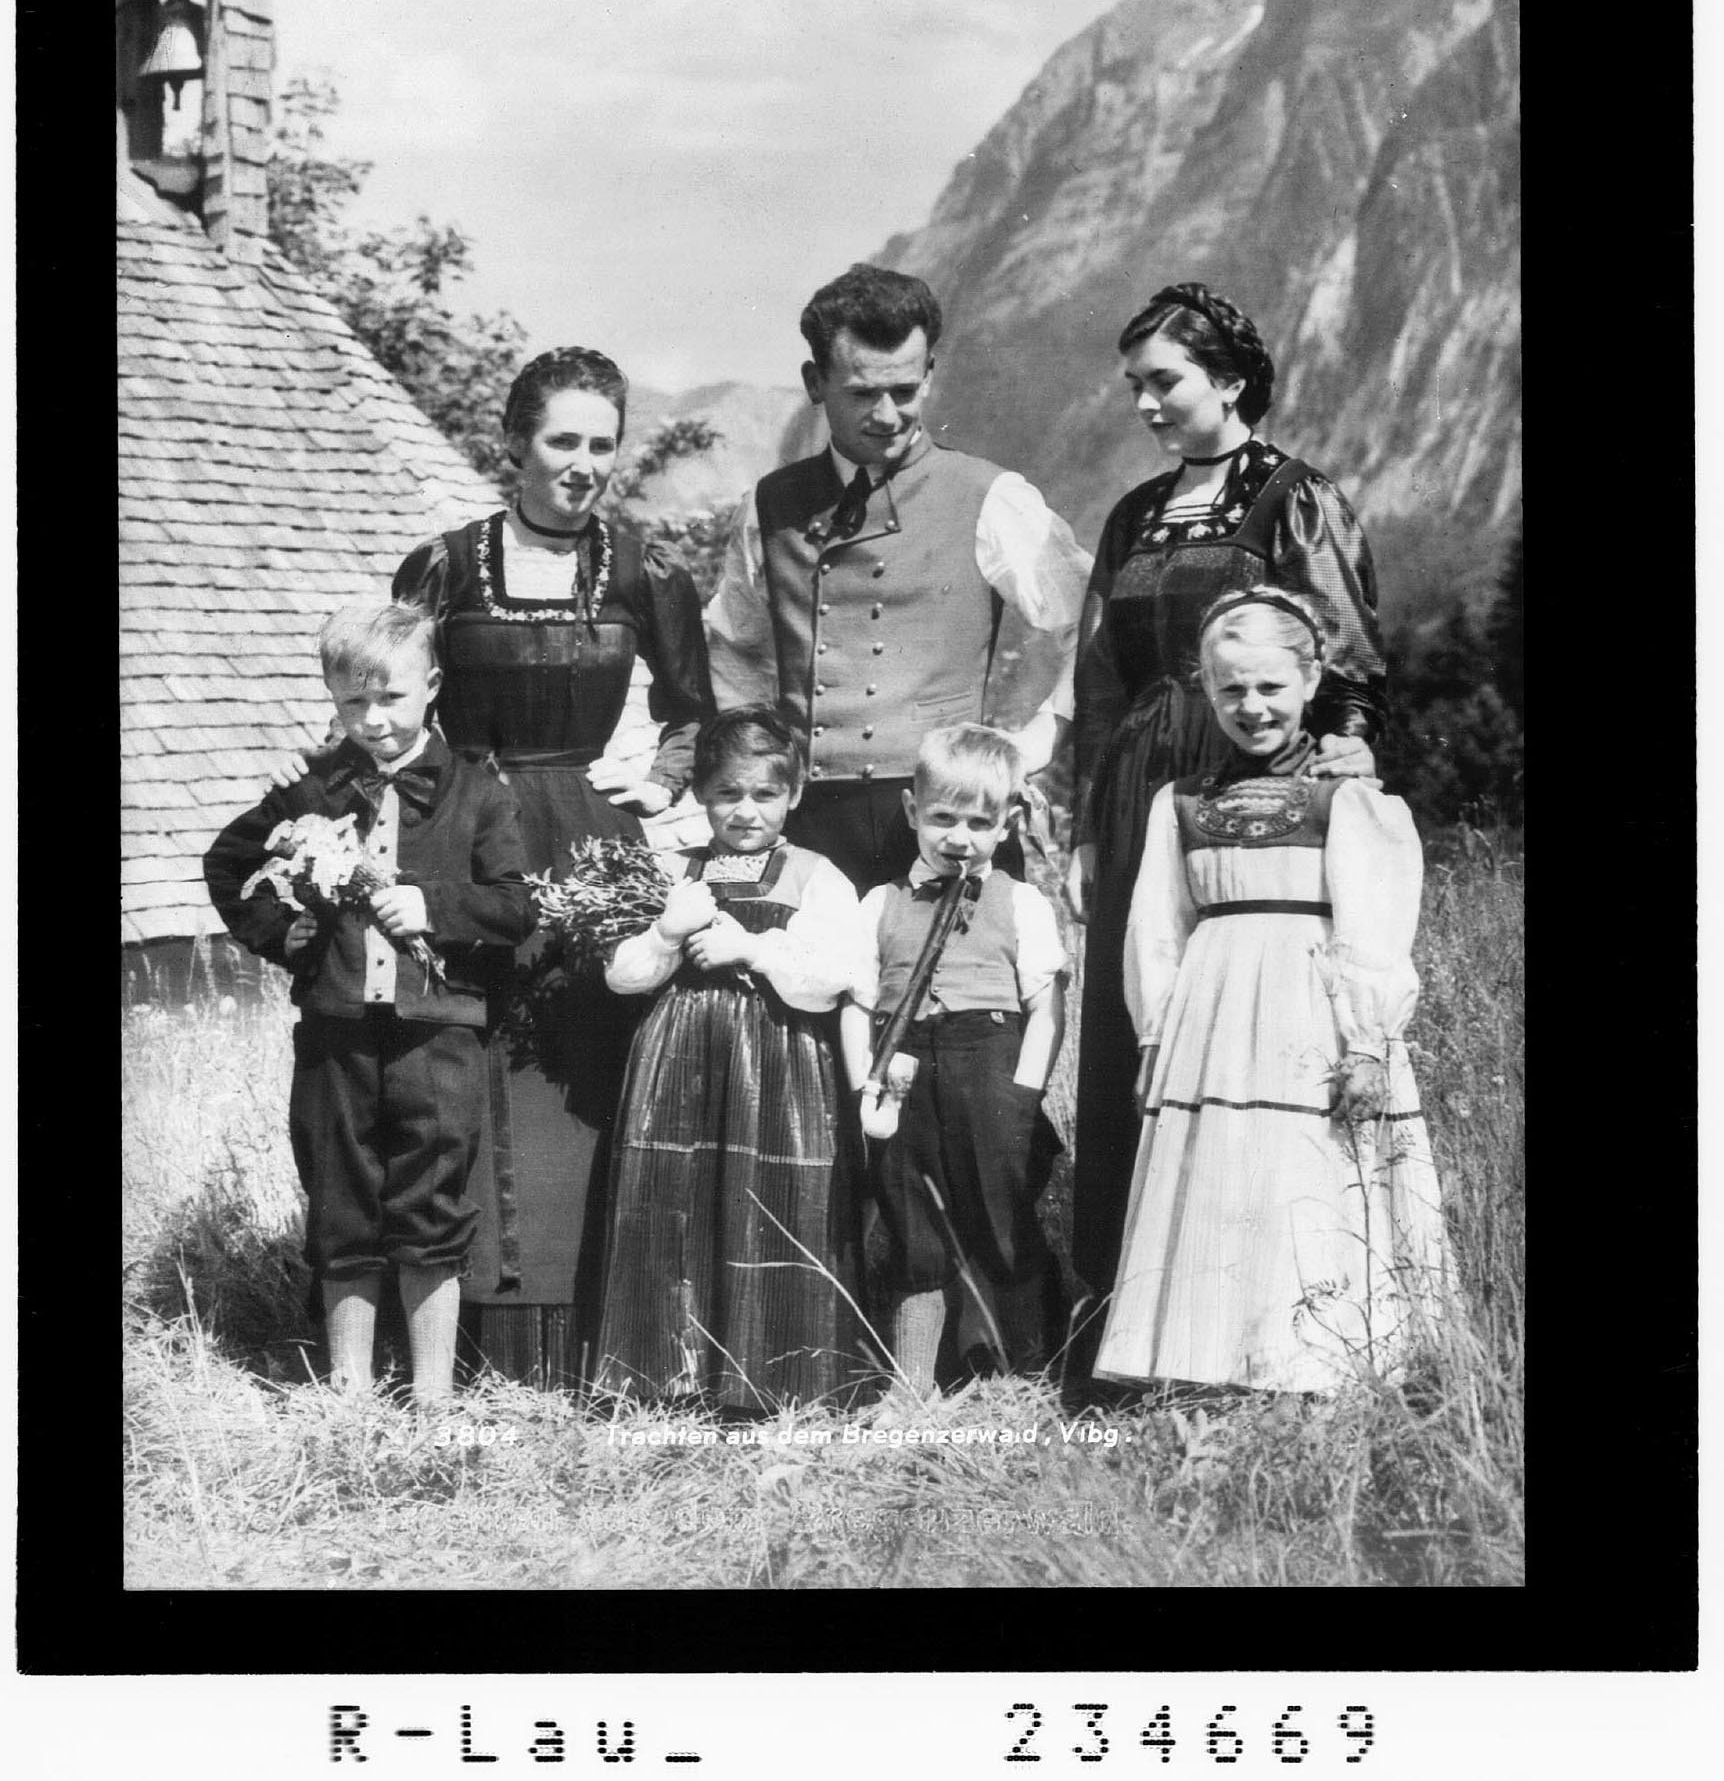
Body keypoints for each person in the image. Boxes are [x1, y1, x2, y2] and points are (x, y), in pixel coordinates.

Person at [1067, 282, 1386, 1360]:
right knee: (1136, 1014)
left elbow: (1344, 657)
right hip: (1137, 787)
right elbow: (1097, 677)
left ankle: (1265, 1313)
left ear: (1231, 379)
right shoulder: (1132, 513)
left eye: (1163, 381)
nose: (1144, 403)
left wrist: (1342, 759)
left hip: (1249, 777)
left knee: (1248, 1022)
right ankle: (1131, 1313)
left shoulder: (1297, 499)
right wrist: (1086, 822)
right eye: (1135, 385)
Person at [392, 346, 714, 1388]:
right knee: (468, 1063)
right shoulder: (445, 564)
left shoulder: (643, 570)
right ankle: (470, 1338)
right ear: (514, 444)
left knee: (587, 1054)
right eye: (562, 440)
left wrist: (656, 781)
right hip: (472, 836)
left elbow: (693, 712)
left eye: (602, 444)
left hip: (588, 836)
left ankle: (595, 1339)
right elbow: (398, 698)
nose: (584, 463)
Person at [1094, 590, 1451, 1393]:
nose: (1252, 706)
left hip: (1311, 1014)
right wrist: (1155, 1035)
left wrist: (1367, 1042)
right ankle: (1209, 1362)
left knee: (1305, 1172)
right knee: (1221, 1174)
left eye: (1270, 686)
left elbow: (1373, 926)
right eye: (1231, 689)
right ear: (1205, 690)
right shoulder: (1180, 802)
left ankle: (1319, 1362)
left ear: (1312, 679)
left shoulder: (1345, 798)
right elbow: (1158, 930)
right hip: (1212, 1022)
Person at [203, 603, 536, 1405]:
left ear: (432, 686)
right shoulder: (312, 785)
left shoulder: (479, 794)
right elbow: (227, 862)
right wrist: (287, 937)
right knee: (341, 1201)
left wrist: (434, 906)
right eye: (354, 701)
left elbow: (516, 905)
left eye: (391, 697)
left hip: (439, 1038)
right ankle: (349, 1393)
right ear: (332, 697)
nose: (374, 718)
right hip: (336, 1034)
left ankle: (433, 1396)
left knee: (431, 1204)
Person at [705, 262, 1092, 898]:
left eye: (906, 391)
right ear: (814, 383)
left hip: (946, 820)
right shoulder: (769, 504)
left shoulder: (990, 495)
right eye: (862, 394)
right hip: (807, 827)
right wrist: (756, 761)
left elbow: (1090, 618)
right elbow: (733, 641)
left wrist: (1032, 745)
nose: (887, 415)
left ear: (930, 375)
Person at [596, 708, 871, 1410]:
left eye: (765, 794)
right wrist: (666, 932)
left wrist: (752, 949)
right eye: (727, 793)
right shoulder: (671, 870)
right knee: (676, 1199)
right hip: (680, 1062)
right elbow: (622, 975)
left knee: (767, 1198)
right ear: (699, 794)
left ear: (794, 794)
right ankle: (666, 1373)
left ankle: (773, 1376)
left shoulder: (816, 875)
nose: (746, 810)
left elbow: (836, 975)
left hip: (777, 1065)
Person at [842, 724, 1068, 1396]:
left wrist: (1022, 1096)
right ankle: (912, 1385)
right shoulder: (879, 903)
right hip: (901, 1076)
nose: (959, 838)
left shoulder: (1021, 901)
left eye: (979, 822)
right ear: (913, 811)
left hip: (990, 1070)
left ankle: (1029, 1375)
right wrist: (864, 1086)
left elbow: (1046, 1009)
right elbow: (857, 1004)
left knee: (1003, 1220)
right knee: (913, 1223)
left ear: (1008, 824)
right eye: (943, 818)